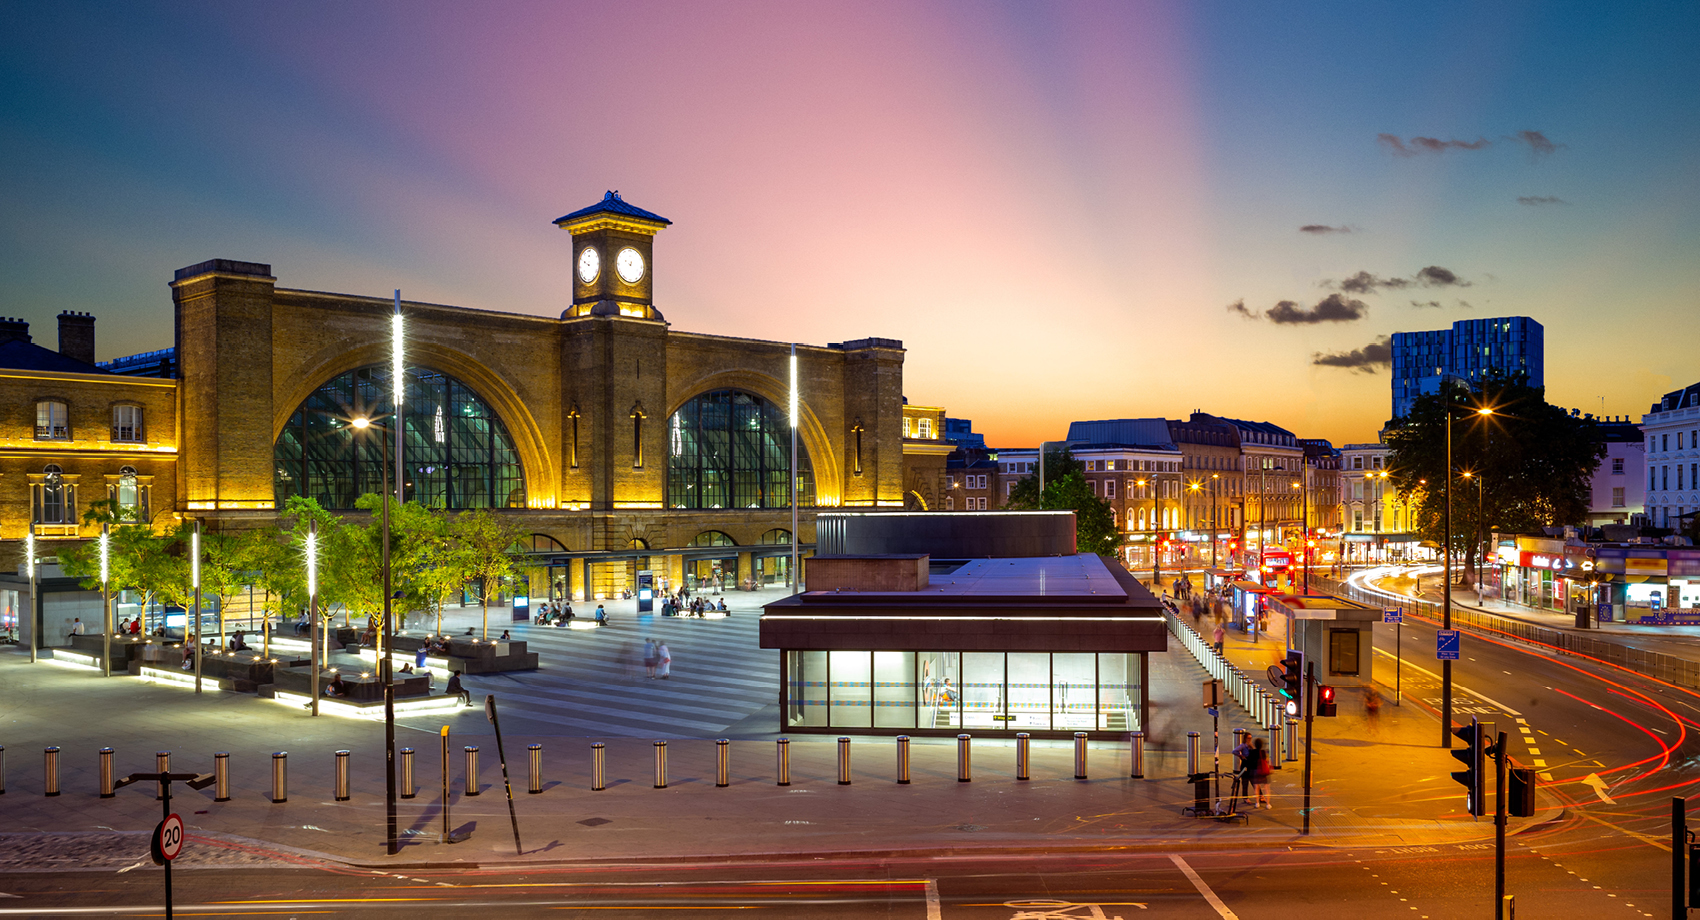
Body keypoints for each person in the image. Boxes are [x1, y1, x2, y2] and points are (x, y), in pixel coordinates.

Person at [1250, 738, 1273, 809]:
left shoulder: (1252, 752)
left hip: (1256, 771)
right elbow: (1267, 760)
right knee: (1266, 788)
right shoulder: (1263, 752)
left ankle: (1257, 803)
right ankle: (1268, 804)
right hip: (1264, 771)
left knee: (1256, 787)